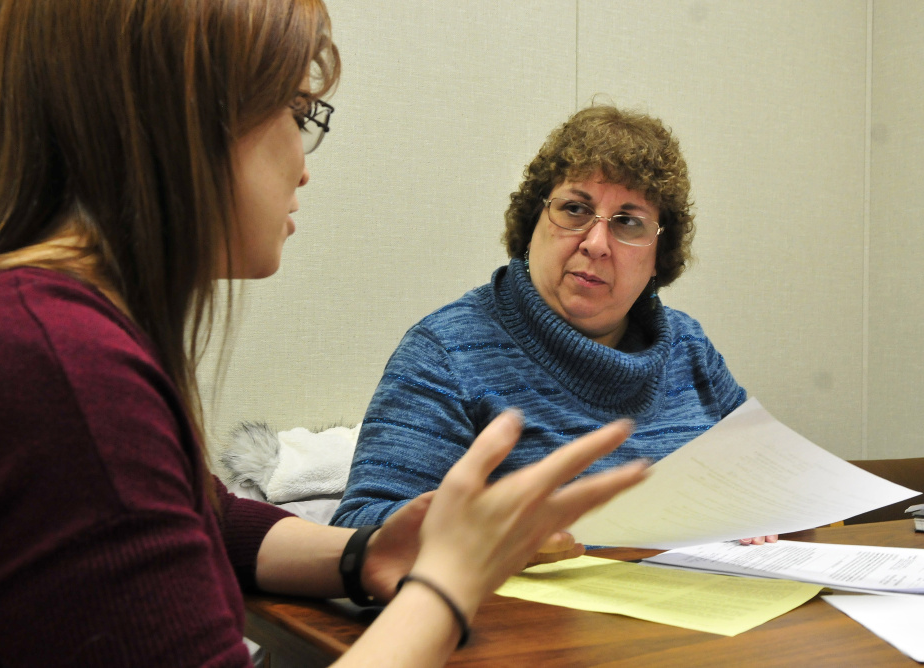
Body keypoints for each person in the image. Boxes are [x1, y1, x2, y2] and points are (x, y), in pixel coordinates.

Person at [0, 1, 650, 666]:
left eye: (628, 224)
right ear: (181, 119)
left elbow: (202, 515)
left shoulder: (17, 321)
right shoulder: (55, 363)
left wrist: (364, 553)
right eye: (298, 113)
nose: (303, 167)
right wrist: (446, 583)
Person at [332, 104, 776, 547]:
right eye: (576, 210)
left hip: (700, 606)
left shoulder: (688, 347)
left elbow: (769, 473)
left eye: (628, 222)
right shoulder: (446, 352)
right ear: (532, 224)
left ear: (658, 256)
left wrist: (763, 507)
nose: (596, 243)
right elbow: (359, 527)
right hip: (527, 614)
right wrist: (497, 535)